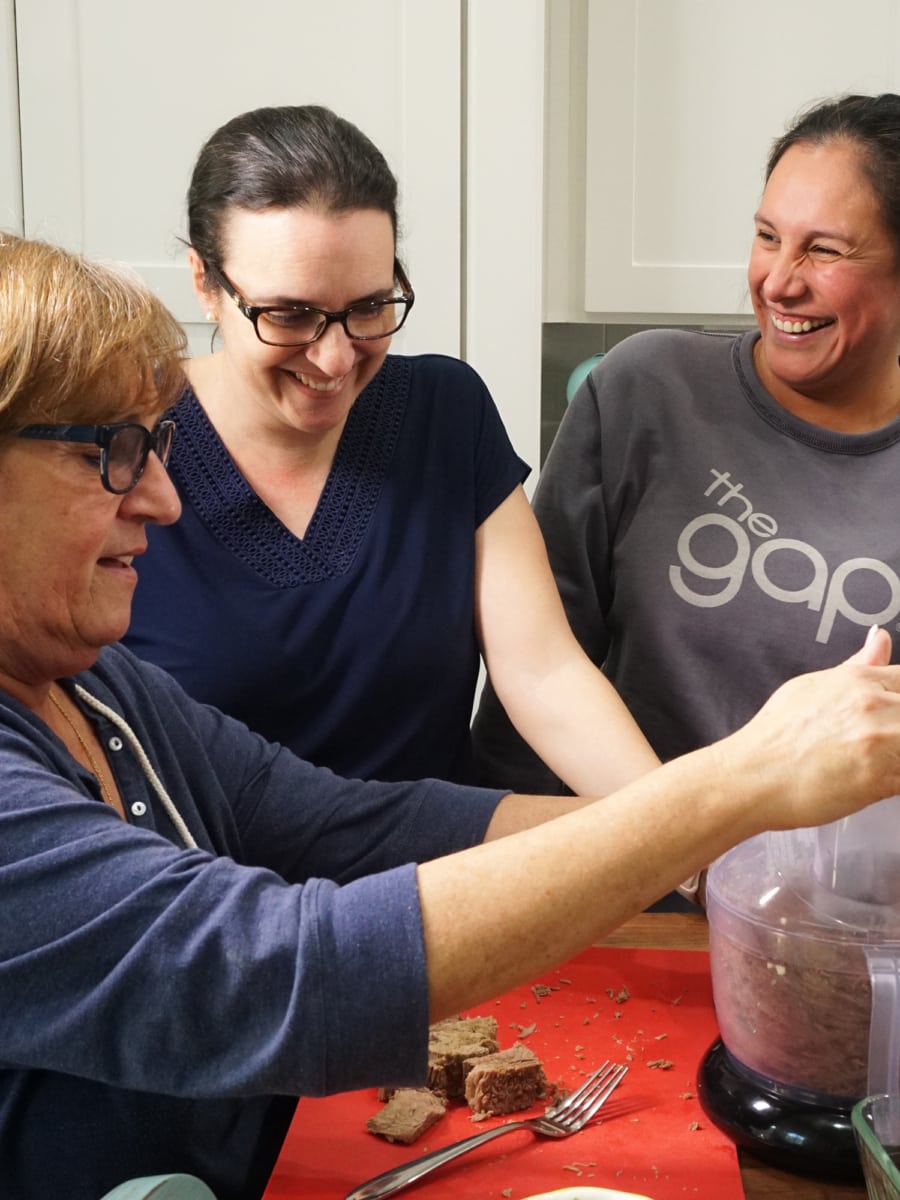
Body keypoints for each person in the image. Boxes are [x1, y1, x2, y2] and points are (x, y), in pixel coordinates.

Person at [4, 234, 900, 1200]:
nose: (165, 499)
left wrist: (750, 836)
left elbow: (355, 825)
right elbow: (274, 971)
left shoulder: (94, 688)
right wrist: (737, 784)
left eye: (159, 445)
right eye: (114, 453)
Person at [122, 103, 659, 796]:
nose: (336, 356)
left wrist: (690, 842)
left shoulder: (445, 410)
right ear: (205, 283)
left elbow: (544, 674)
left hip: (437, 889)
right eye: (290, 314)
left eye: (370, 307)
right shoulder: (120, 449)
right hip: (217, 896)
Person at [474, 92, 900, 797]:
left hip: (825, 898)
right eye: (767, 237)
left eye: (824, 250)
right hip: (614, 865)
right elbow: (537, 675)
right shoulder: (645, 391)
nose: (779, 281)